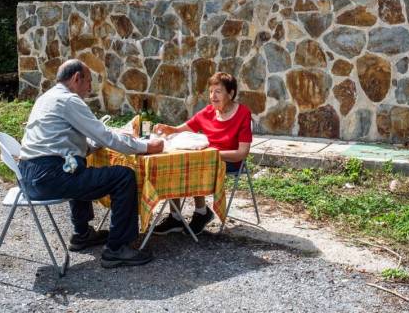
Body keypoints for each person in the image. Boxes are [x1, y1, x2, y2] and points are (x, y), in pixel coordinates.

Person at [18, 59, 164, 268]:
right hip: (49, 177)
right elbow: (106, 137)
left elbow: (73, 145)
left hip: (29, 177)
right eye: (88, 82)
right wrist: (147, 147)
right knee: (123, 176)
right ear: (77, 78)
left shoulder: (47, 98)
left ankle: (82, 234)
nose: (89, 89)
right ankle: (117, 248)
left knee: (76, 164)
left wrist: (103, 141)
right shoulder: (69, 101)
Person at [152, 71, 252, 235]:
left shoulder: (243, 114)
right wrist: (167, 129)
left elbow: (242, 153)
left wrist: (213, 155)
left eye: (218, 91)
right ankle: (175, 217)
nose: (213, 96)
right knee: (172, 162)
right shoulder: (208, 112)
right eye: (211, 91)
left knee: (194, 164)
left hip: (229, 160)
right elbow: (179, 129)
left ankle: (202, 213)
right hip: (205, 158)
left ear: (231, 93)